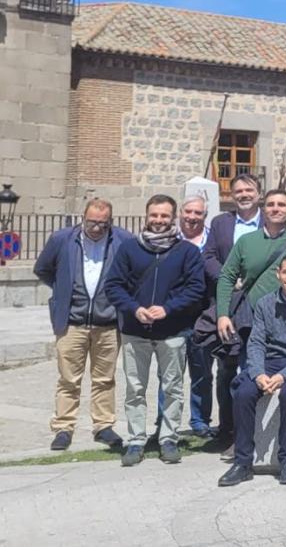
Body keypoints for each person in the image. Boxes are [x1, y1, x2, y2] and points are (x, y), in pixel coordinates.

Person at [104, 195, 205, 466]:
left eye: (164, 216)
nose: (158, 221)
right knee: (135, 388)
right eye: (154, 215)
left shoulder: (187, 251)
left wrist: (169, 308)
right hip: (135, 330)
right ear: (146, 216)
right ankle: (136, 440)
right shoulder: (129, 249)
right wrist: (133, 308)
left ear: (173, 218)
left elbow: (196, 289)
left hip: (172, 331)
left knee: (172, 387)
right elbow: (113, 285)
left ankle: (168, 438)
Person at [218, 252, 286, 486]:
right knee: (244, 392)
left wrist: (282, 376)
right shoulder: (265, 303)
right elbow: (256, 342)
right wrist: (258, 373)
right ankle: (243, 463)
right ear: (278, 274)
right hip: (271, 362)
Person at [36, 198, 132, 452]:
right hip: (72, 323)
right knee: (68, 379)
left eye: (103, 223)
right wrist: (62, 292)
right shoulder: (62, 240)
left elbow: (132, 275)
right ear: (83, 218)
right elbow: (43, 269)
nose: (98, 228)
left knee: (104, 379)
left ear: (110, 221)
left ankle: (103, 426)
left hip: (108, 324)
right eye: (92, 223)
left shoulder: (123, 241)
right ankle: (64, 428)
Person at [200, 173, 264, 445]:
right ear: (232, 195)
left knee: (255, 365)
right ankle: (226, 428)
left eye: (249, 190)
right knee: (226, 368)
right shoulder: (220, 223)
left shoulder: (270, 221)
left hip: (260, 305)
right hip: (229, 304)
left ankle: (253, 429)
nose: (244, 194)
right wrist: (226, 276)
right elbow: (208, 256)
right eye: (238, 191)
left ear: (259, 193)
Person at [216, 190, 286, 351]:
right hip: (251, 321)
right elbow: (227, 277)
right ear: (263, 209)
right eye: (270, 204)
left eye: (281, 205)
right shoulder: (246, 241)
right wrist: (222, 315)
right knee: (249, 370)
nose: (275, 209)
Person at [177, 195, 218, 439]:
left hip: (205, 316)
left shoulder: (212, 241)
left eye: (198, 213)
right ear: (181, 212)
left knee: (202, 372)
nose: (192, 217)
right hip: (173, 317)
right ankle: (166, 422)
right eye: (188, 211)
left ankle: (200, 420)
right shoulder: (169, 240)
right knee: (169, 374)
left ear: (205, 215)